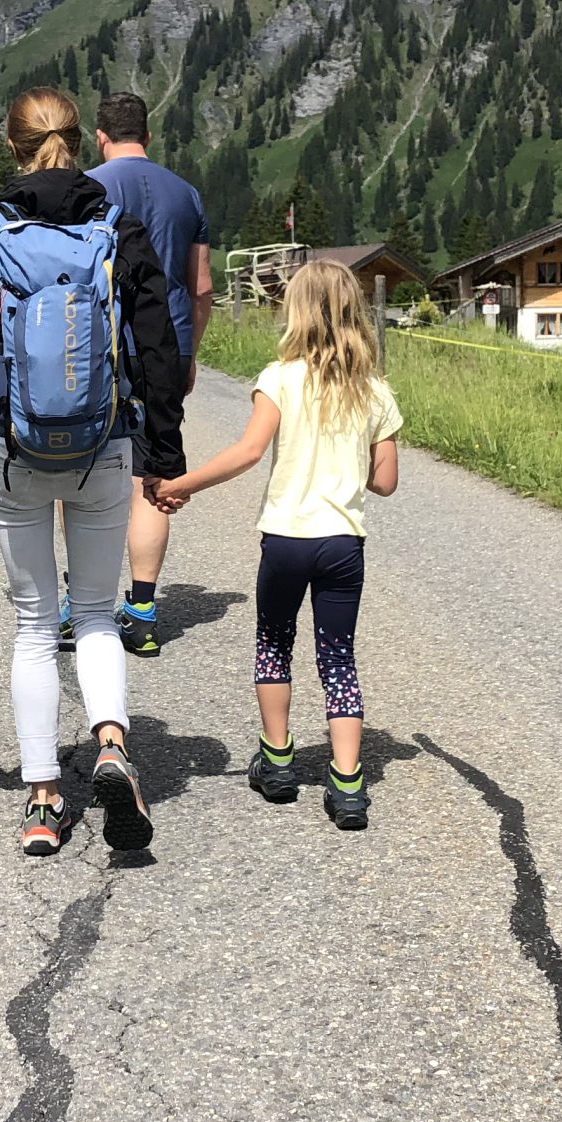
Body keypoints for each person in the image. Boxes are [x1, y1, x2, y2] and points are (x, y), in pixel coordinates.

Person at [0, 88, 187, 857]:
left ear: (13, 147)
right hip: (103, 446)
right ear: (81, 142)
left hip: (14, 448)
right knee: (99, 615)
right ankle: (111, 744)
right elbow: (157, 348)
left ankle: (43, 800)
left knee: (36, 625)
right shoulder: (117, 229)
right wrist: (162, 457)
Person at [155, 260, 401, 831]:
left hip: (287, 539)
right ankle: (347, 785)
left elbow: (246, 452)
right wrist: (347, 460)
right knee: (338, 657)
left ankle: (280, 761)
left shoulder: (280, 378)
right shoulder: (374, 391)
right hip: (343, 542)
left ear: (296, 311)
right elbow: (384, 481)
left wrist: (182, 485)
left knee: (274, 642)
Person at [87, 91, 213, 656]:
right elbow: (202, 286)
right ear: (149, 136)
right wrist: (188, 353)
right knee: (153, 478)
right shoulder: (185, 193)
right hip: (168, 346)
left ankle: (77, 604)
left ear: (100, 136)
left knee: (82, 475)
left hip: (98, 349)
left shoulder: (89, 187)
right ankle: (141, 610)